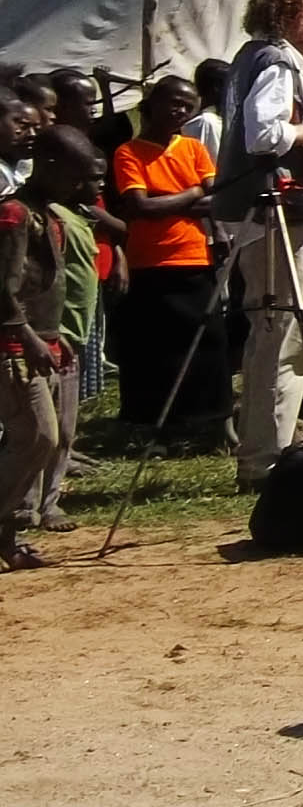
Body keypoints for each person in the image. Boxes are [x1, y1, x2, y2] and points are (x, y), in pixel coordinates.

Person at [215, 0, 303, 489]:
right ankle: (265, 461)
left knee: (275, 335)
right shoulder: (274, 61)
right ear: (289, 14)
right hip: (274, 214)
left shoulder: (262, 57)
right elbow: (265, 135)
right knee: (282, 335)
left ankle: (269, 444)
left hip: (268, 213)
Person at [0, 127, 97, 568]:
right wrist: (30, 338)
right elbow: (4, 290)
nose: (78, 187)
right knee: (38, 435)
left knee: (42, 439)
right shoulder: (15, 215)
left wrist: (56, 336)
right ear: (50, 166)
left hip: (42, 340)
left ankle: (8, 535)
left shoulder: (47, 215)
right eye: (74, 177)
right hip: (14, 345)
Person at [108, 75, 226, 426]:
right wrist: (192, 194)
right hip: (150, 260)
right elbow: (140, 206)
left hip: (195, 255)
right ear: (152, 104)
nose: (180, 111)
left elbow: (215, 198)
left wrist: (170, 202)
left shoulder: (193, 148)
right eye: (174, 103)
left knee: (206, 340)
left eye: (188, 106)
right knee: (156, 346)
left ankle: (205, 416)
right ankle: (151, 421)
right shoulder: (129, 152)